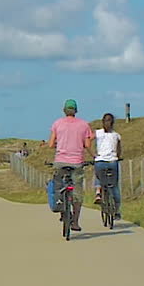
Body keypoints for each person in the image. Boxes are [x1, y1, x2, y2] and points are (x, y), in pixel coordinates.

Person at [43, 99, 94, 231]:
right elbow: (87, 145)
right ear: (76, 111)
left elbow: (50, 144)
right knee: (77, 193)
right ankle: (75, 222)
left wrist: (59, 145)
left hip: (60, 161)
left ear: (64, 110)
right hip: (76, 162)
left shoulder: (57, 124)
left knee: (59, 186)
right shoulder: (84, 125)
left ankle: (62, 210)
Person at [92, 112, 122, 217]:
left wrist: (93, 154)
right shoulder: (117, 135)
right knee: (114, 186)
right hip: (113, 162)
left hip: (100, 161)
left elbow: (87, 140)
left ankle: (98, 192)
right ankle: (117, 210)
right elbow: (119, 150)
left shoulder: (97, 133)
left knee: (98, 175)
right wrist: (118, 157)